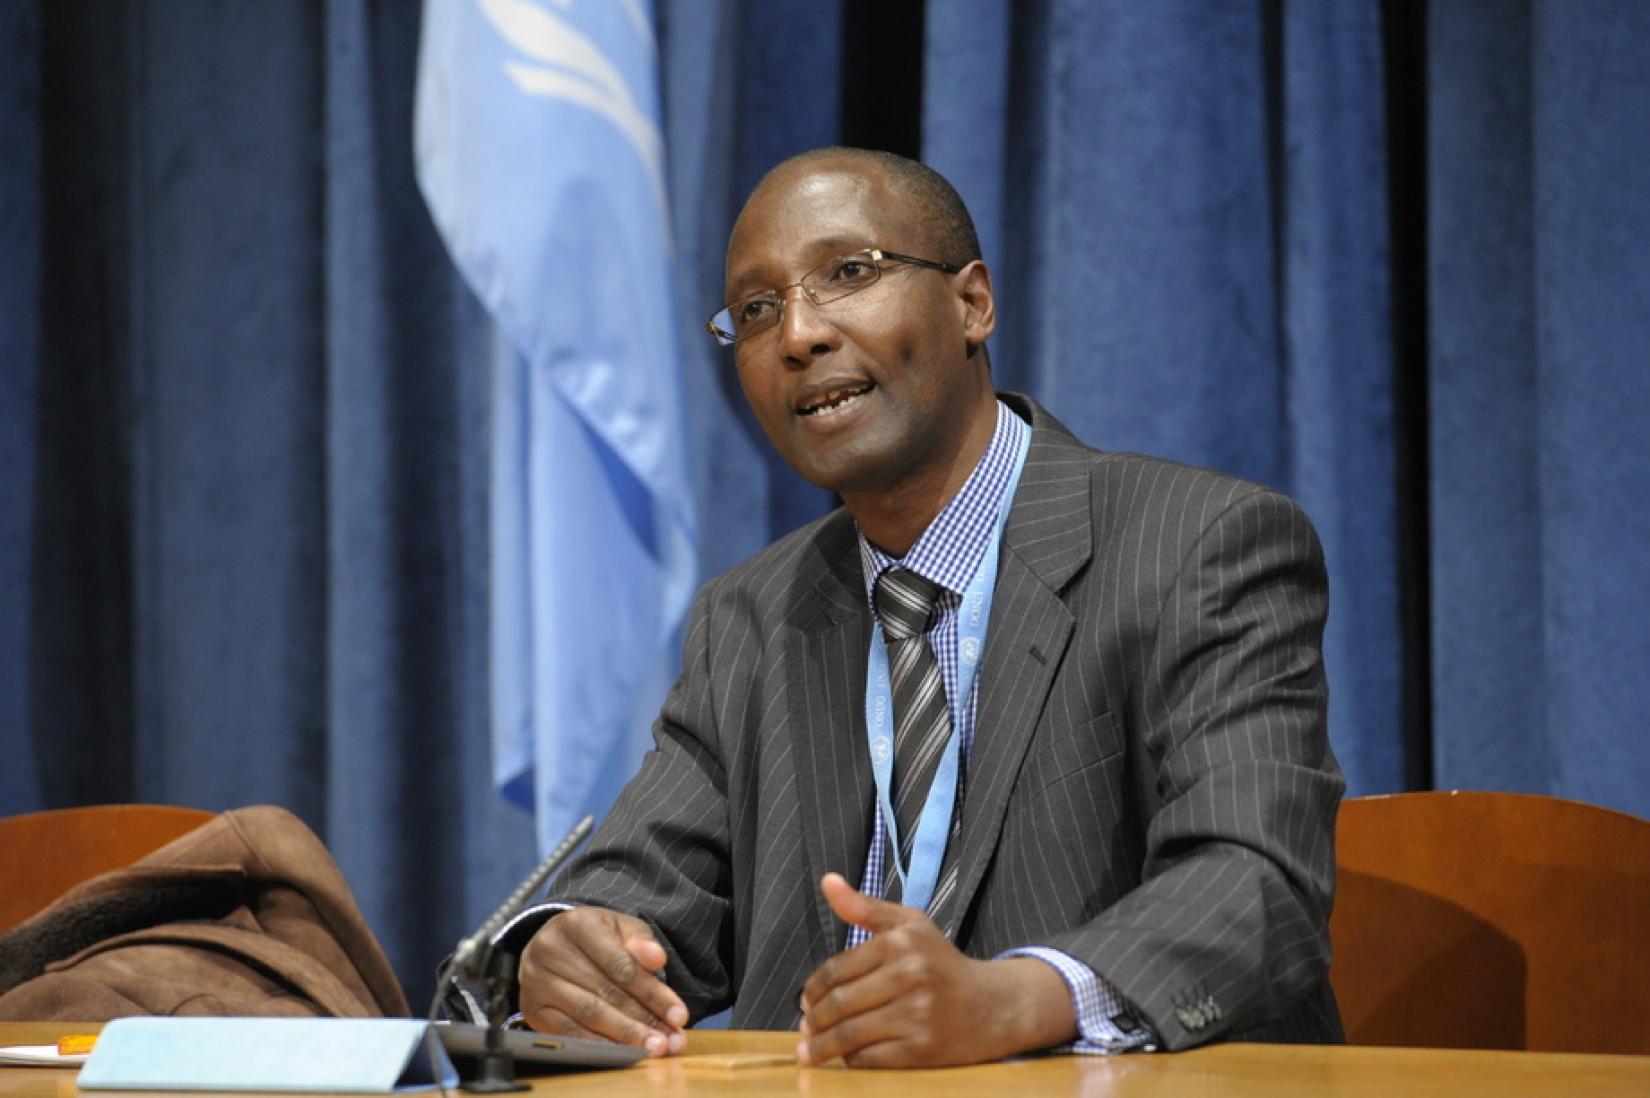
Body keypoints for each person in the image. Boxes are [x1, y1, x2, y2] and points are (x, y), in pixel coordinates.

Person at [499, 147, 1344, 1068]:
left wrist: (1018, 998)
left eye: (848, 274)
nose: (799, 335)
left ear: (971, 303)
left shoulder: (1197, 544)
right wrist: (574, 955)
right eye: (754, 310)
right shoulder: (748, 617)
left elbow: (1255, 878)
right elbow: (641, 895)